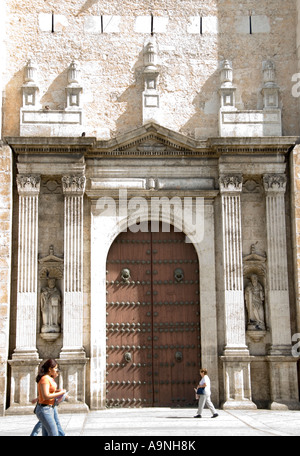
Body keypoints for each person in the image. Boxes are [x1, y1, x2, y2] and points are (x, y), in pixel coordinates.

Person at [33, 359, 67, 436]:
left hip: (50, 408)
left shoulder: (49, 378)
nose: (56, 370)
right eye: (55, 368)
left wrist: (59, 392)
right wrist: (61, 393)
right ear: (49, 369)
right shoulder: (44, 379)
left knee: (47, 434)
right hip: (44, 409)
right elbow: (46, 396)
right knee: (54, 433)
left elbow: (50, 392)